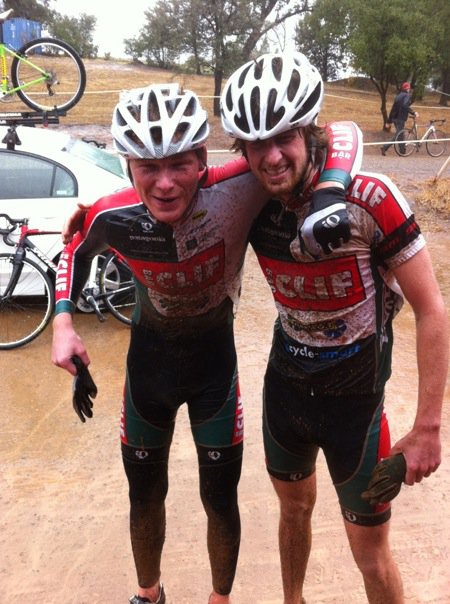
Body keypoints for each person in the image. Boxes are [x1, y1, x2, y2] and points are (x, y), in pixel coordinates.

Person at [52, 80, 362, 604]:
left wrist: (331, 189)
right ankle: (148, 594)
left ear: (202, 160)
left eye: (179, 164)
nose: (165, 183)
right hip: (148, 370)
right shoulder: (111, 214)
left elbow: (339, 133)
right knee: (144, 493)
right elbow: (75, 249)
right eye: (148, 166)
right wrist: (63, 323)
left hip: (214, 370)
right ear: (127, 165)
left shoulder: (240, 185)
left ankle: (220, 599)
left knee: (219, 499)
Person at [220, 52, 448, 604]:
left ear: (310, 131)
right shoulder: (251, 200)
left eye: (285, 137)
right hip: (285, 394)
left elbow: (432, 311)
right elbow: (177, 185)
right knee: (293, 511)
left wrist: (427, 427)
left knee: (370, 555)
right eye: (256, 144)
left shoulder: (371, 197)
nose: (272, 157)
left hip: (357, 409)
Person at [381, 82, 418, 155]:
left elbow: (393, 109)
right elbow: (405, 105)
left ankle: (402, 151)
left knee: (400, 134)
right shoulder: (407, 95)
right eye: (409, 88)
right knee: (399, 135)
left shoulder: (398, 96)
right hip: (400, 118)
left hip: (395, 118)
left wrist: (389, 121)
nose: (409, 90)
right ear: (407, 88)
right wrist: (413, 112)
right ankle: (385, 147)